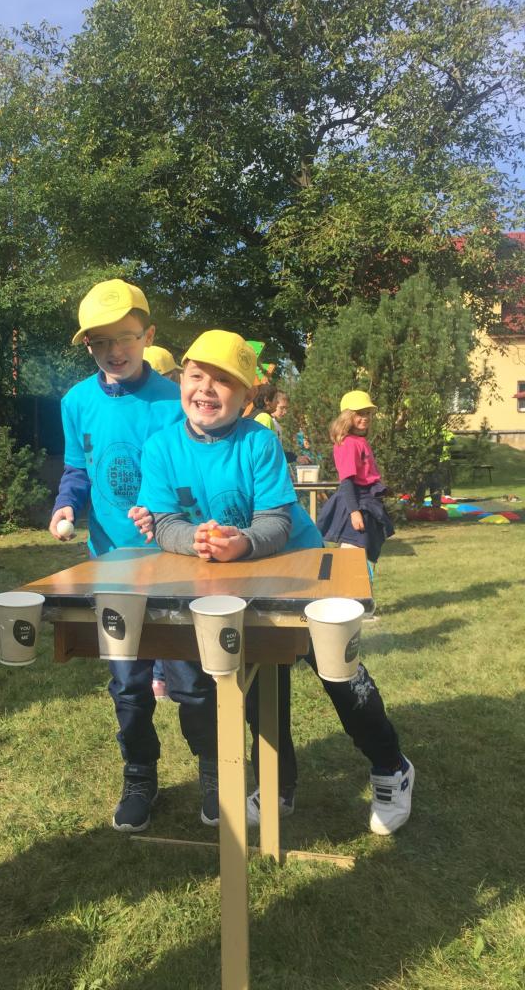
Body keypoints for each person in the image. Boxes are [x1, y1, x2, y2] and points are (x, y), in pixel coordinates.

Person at [133, 337, 414, 835]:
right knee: (262, 690)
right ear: (182, 381)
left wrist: (242, 542)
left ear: (246, 397)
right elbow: (164, 522)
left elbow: (277, 522)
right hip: (233, 583)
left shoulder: (258, 441)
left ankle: (391, 767)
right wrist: (191, 539)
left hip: (300, 570)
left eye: (223, 380)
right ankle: (277, 784)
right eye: (197, 376)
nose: (206, 389)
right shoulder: (160, 447)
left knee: (339, 673)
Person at [49, 279, 217, 834]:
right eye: (99, 342)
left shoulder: (174, 401)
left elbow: (194, 470)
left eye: (124, 337)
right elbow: (77, 470)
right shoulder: (76, 402)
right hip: (112, 564)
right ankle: (140, 775)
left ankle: (213, 771)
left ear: (148, 335)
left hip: (177, 562)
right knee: (127, 682)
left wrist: (174, 516)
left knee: (191, 681)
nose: (112, 350)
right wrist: (66, 504)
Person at [142, 344, 183, 701]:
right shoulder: (161, 440)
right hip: (155, 529)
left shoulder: (179, 412)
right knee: (163, 607)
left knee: (163, 606)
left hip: (175, 532)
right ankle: (160, 675)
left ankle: (161, 675)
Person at [317, 391, 395, 564]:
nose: (365, 417)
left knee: (360, 561)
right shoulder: (348, 443)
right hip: (356, 503)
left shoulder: (359, 441)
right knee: (351, 560)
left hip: (366, 501)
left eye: (368, 413)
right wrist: (354, 512)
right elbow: (347, 481)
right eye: (360, 413)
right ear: (347, 416)